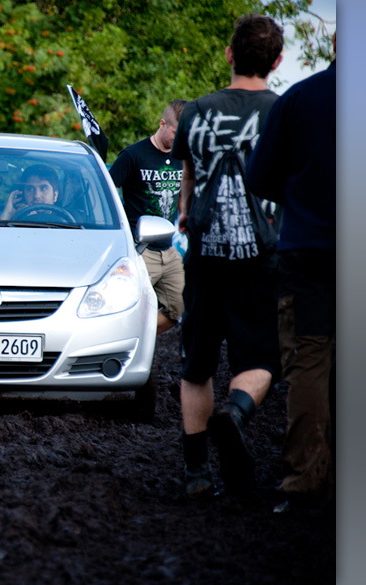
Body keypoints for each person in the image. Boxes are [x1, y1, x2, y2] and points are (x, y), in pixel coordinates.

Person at [170, 13, 284, 499]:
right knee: (260, 359)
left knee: (196, 366)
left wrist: (183, 217)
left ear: (229, 53)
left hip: (204, 256)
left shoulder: (195, 110)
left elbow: (188, 180)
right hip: (260, 258)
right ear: (277, 61)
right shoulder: (282, 111)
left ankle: (196, 475)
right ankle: (235, 413)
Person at [246, 36, 336, 513]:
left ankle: (304, 478)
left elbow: (259, 177)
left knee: (308, 360)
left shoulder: (300, 97)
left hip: (309, 251)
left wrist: (302, 197)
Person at [109, 99, 187, 335]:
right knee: (124, 308)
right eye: (176, 132)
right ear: (163, 124)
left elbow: (182, 195)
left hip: (169, 249)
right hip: (140, 250)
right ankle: (121, 346)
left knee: (177, 309)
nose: (180, 139)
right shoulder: (133, 155)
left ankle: (135, 339)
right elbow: (106, 193)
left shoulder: (182, 157)